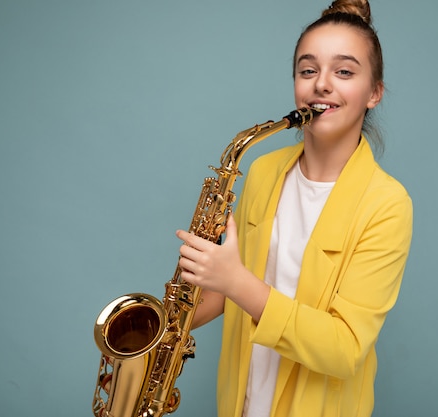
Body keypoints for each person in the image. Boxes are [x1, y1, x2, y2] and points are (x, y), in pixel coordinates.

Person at [176, 1, 413, 416]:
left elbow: (344, 349)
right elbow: (228, 291)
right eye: (308, 70)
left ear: (374, 92)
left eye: (344, 71)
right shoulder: (265, 170)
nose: (322, 84)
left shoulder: (387, 204)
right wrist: (157, 336)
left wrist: (234, 281)